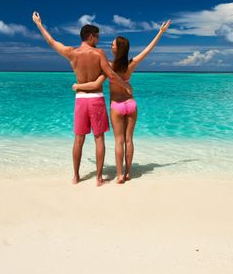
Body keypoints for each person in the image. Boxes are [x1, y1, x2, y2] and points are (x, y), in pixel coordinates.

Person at [32, 12, 132, 186]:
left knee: (78, 139)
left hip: (80, 100)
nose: (99, 41)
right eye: (98, 37)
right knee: (98, 138)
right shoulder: (98, 53)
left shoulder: (72, 53)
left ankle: (76, 177)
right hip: (96, 100)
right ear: (91, 36)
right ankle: (99, 178)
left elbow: (51, 42)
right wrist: (126, 86)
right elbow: (111, 75)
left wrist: (39, 24)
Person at [72, 20, 171, 183]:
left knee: (119, 141)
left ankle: (119, 175)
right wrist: (160, 33)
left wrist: (77, 85)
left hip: (117, 106)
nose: (110, 47)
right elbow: (148, 50)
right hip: (131, 104)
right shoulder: (131, 64)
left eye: (113, 45)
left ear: (118, 48)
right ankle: (127, 173)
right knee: (129, 140)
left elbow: (97, 78)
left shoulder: (108, 66)